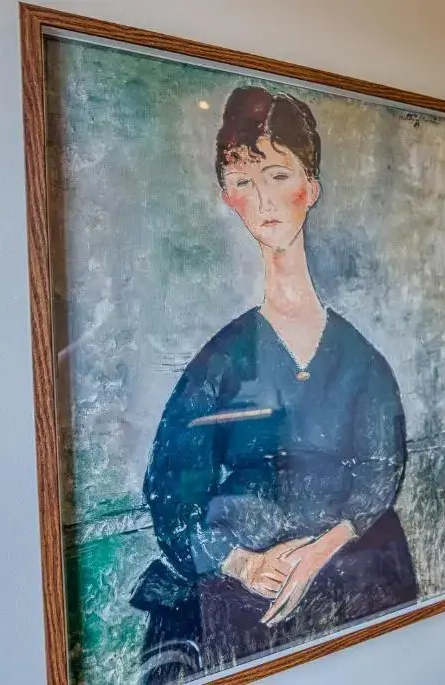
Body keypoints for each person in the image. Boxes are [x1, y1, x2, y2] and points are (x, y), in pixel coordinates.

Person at [130, 86, 418, 684]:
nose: (263, 200)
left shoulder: (361, 359)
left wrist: (320, 550)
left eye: (278, 175)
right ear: (228, 198)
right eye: (244, 182)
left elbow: (380, 470)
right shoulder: (220, 361)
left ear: (309, 188)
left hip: (355, 570)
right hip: (246, 591)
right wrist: (242, 564)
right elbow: (172, 489)